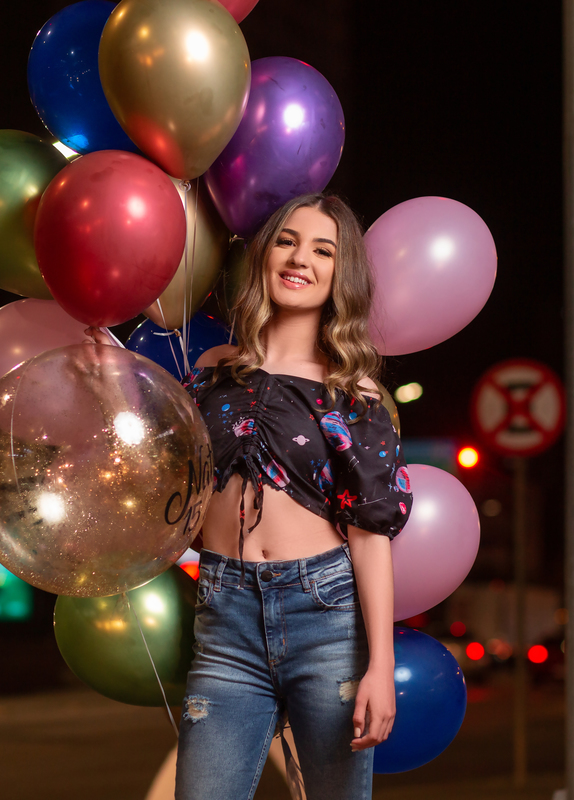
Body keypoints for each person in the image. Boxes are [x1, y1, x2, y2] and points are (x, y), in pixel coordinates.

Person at [172, 193, 411, 800]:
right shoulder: (212, 371)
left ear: (340, 275)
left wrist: (379, 666)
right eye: (287, 241)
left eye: (322, 250)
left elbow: (369, 533)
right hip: (225, 618)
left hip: (324, 614)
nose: (300, 258)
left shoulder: (352, 392)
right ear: (266, 256)